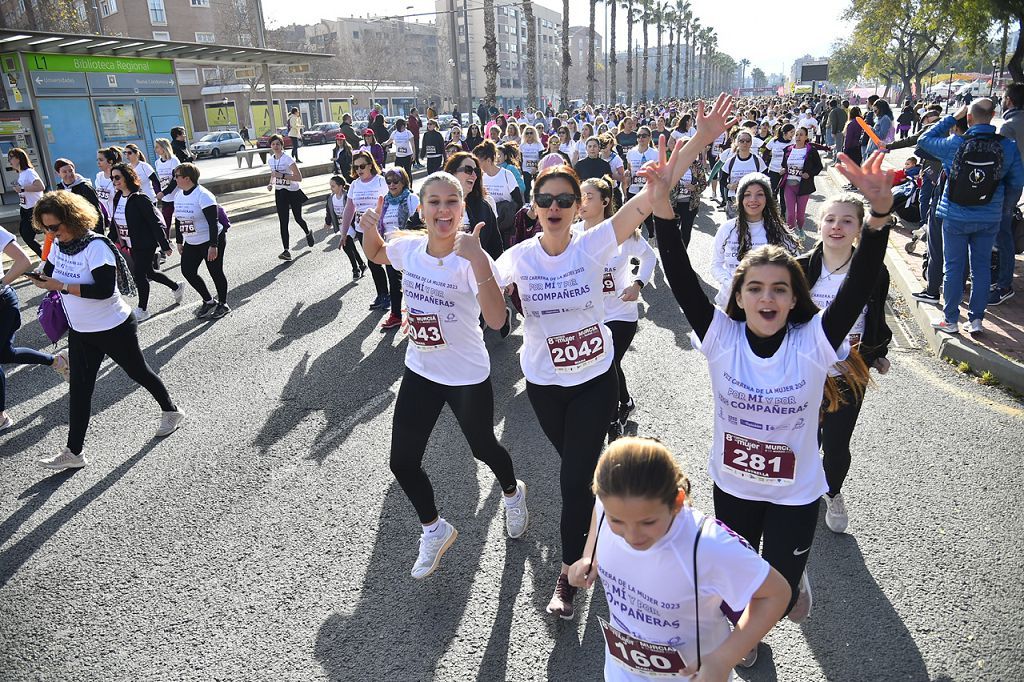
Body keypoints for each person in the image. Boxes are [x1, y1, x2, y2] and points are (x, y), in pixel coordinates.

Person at [653, 138, 896, 627]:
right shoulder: (721, 336)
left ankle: (787, 583)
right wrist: (661, 204)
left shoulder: (814, 342)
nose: (767, 298)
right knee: (736, 591)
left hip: (795, 492)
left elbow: (860, 283)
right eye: (755, 288)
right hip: (734, 485)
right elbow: (680, 277)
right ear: (739, 297)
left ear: (794, 299)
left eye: (779, 289)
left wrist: (879, 217)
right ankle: (746, 639)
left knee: (781, 601)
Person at [493, 128, 698, 621]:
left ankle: (568, 576)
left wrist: (692, 149)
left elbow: (646, 202)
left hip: (594, 379)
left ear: (577, 205)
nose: (557, 205)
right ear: (535, 207)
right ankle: (609, 513)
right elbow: (479, 285)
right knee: (581, 472)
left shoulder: (592, 244)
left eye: (567, 198)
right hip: (545, 385)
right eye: (547, 199)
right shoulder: (519, 257)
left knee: (570, 481)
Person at [356, 173, 529, 579]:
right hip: (421, 368)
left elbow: (497, 319)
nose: (443, 209)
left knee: (483, 447)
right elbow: (379, 254)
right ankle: (434, 529)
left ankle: (512, 491)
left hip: (466, 374)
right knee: (402, 461)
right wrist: (368, 230)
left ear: (462, 208)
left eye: (451, 201)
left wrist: (478, 259)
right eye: (433, 202)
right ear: (421, 209)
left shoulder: (471, 259)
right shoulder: (411, 249)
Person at [568, 438, 791, 678]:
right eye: (617, 521)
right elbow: (599, 512)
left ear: (677, 501)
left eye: (648, 522)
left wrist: (724, 659)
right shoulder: (607, 504)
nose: (632, 536)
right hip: (620, 672)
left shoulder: (707, 545)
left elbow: (777, 593)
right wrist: (589, 556)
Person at [31, 191, 184, 470]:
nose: (51, 233)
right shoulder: (57, 245)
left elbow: (102, 290)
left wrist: (60, 286)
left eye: (54, 227)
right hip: (81, 331)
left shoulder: (96, 247)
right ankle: (74, 452)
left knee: (138, 372)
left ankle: (171, 411)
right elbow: (50, 271)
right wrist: (41, 278)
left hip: (114, 327)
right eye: (46, 228)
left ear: (72, 219)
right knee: (79, 389)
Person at [798, 194, 892, 534]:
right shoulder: (799, 267)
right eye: (830, 220)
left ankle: (832, 492)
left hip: (849, 372)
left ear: (858, 231)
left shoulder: (873, 273)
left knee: (836, 443)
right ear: (819, 224)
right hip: (803, 371)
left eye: (847, 221)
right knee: (803, 438)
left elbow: (877, 315)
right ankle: (798, 492)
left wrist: (877, 350)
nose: (837, 227)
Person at [920, 100, 1024, 335]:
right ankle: (976, 320)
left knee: (953, 267)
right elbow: (1017, 182)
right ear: (994, 115)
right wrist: (1002, 207)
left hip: (955, 215)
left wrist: (951, 118)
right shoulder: (1007, 146)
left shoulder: (955, 143)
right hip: (989, 217)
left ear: (968, 118)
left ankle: (951, 319)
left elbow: (923, 140)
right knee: (981, 267)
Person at [579, 176, 655, 444]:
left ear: (606, 202)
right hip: (590, 316)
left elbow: (649, 256)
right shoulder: (574, 234)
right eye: (581, 196)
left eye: (589, 197)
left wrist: (637, 284)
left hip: (621, 312)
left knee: (608, 362)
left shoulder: (623, 233)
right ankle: (625, 400)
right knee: (605, 364)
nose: (582, 202)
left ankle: (612, 419)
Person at [1, 225, 69, 431]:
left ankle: (1, 417)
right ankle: (58, 361)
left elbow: (23, 261)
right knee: (5, 354)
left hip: (2, 301)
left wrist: (1, 282)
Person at [710, 173, 798, 306]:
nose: (753, 199)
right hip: (730, 303)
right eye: (747, 194)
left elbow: (797, 266)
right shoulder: (727, 229)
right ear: (740, 199)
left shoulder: (779, 231)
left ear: (767, 198)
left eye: (760, 194)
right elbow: (715, 265)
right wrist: (731, 283)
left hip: (767, 306)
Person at [108, 163, 182, 321]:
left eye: (117, 177)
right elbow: (116, 222)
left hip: (144, 244)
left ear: (127, 177)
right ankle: (176, 286)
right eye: (112, 178)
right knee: (150, 273)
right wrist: (107, 241)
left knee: (140, 275)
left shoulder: (140, 198)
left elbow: (154, 222)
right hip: (129, 244)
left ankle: (142, 309)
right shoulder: (117, 198)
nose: (114, 180)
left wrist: (164, 244)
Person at [172, 163, 230, 319]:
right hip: (192, 241)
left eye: (176, 176)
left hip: (210, 240)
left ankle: (223, 304)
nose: (174, 179)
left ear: (187, 178)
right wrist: (179, 241)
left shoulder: (203, 195)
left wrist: (213, 246)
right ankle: (208, 300)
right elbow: (178, 220)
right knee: (188, 271)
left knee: (215, 271)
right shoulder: (178, 195)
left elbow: (213, 222)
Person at [341, 150, 391, 311]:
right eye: (356, 167)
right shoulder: (354, 184)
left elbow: (390, 202)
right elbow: (349, 208)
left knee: (389, 261)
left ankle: (394, 295)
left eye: (362, 166)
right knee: (373, 261)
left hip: (381, 228)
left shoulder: (380, 181)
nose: (359, 170)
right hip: (363, 229)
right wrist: (344, 233)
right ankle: (382, 294)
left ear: (370, 165)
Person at [376, 166, 419, 330]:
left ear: (404, 182)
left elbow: (419, 223)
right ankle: (395, 315)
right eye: (389, 181)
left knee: (410, 283)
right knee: (393, 282)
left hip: (409, 248)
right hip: (390, 248)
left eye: (396, 181)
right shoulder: (384, 200)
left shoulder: (411, 199)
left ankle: (415, 314)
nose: (392, 184)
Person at [992, 83, 1024, 306]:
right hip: (1018, 184)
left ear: (1009, 100)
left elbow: (1001, 164)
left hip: (1008, 185)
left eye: (1003, 97)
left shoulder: (1008, 126)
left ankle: (1003, 284)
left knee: (1001, 233)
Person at [444, 151, 504, 262]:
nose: (474, 175)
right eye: (468, 170)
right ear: (452, 173)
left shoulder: (484, 208)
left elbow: (495, 248)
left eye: (476, 171)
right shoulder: (433, 203)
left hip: (475, 275)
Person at [267, 134, 314, 262]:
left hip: (293, 191)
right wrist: (271, 183)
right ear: (270, 146)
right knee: (283, 221)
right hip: (280, 192)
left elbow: (299, 178)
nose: (275, 146)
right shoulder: (271, 160)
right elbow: (273, 174)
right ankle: (286, 250)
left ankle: (308, 232)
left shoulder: (288, 159)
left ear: (282, 145)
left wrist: (282, 176)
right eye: (273, 144)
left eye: (278, 144)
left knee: (298, 218)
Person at [782, 127, 825, 239]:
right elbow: (784, 165)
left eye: (801, 135)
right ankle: (790, 234)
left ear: (806, 137)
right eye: (796, 134)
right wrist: (783, 170)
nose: (798, 137)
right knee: (790, 214)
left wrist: (809, 174)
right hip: (789, 186)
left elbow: (818, 166)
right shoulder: (788, 149)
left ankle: (800, 229)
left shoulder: (811, 151)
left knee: (800, 215)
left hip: (804, 187)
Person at [323, 174, 366, 280]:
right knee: (350, 247)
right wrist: (328, 222)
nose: (331, 188)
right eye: (330, 186)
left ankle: (355, 269)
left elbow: (355, 209)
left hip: (351, 225)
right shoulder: (330, 198)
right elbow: (329, 211)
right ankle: (361, 264)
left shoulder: (347, 197)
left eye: (333, 186)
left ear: (341, 186)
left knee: (346, 245)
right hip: (342, 226)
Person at [8, 147, 45, 257]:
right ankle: (45, 256)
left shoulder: (29, 172)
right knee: (26, 234)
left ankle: (45, 256)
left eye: (11, 158)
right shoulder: (22, 173)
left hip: (33, 209)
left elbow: (40, 186)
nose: (9, 161)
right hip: (25, 208)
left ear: (18, 158)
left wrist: (22, 189)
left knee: (28, 235)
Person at [624, 127, 659, 239]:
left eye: (644, 136)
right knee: (634, 218)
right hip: (633, 189)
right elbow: (629, 170)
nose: (641, 138)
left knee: (647, 216)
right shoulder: (631, 153)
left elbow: (659, 172)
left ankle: (651, 237)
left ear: (649, 137)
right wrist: (627, 175)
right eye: (639, 136)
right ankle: (635, 244)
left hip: (648, 190)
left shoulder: (655, 154)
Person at [54, 158, 103, 232]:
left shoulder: (85, 188)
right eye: (64, 172)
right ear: (58, 174)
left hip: (87, 229)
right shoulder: (59, 189)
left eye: (71, 171)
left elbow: (97, 212)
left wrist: (99, 234)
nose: (69, 174)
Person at [94, 146, 120, 231]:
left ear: (110, 161)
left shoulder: (118, 177)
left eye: (101, 160)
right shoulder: (99, 176)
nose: (98, 163)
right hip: (108, 219)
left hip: (120, 217)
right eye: (97, 160)